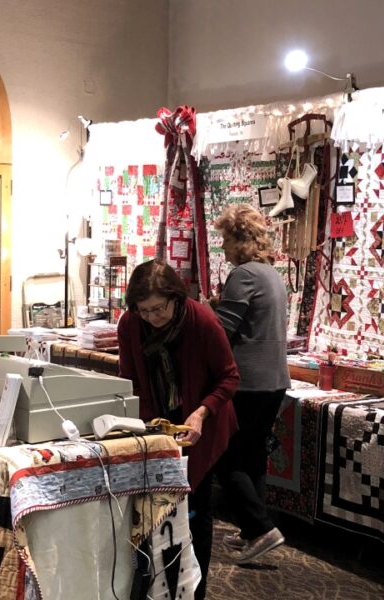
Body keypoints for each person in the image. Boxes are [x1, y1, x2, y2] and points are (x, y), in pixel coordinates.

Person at [118, 260, 238, 600]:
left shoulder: (201, 320)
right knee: (155, 511)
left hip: (202, 423)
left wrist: (200, 413)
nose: (153, 317)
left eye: (159, 309)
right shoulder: (130, 325)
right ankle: (157, 587)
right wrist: (151, 428)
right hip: (158, 424)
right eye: (145, 311)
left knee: (196, 507)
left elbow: (229, 377)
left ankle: (193, 591)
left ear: (176, 298)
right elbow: (131, 381)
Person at [212, 203, 290, 564]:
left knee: (226, 458)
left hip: (248, 382)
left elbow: (223, 332)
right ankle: (250, 532)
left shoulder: (243, 275)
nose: (224, 248)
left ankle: (261, 529)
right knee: (253, 456)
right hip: (274, 380)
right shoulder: (271, 274)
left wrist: (206, 313)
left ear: (241, 241)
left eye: (227, 240)